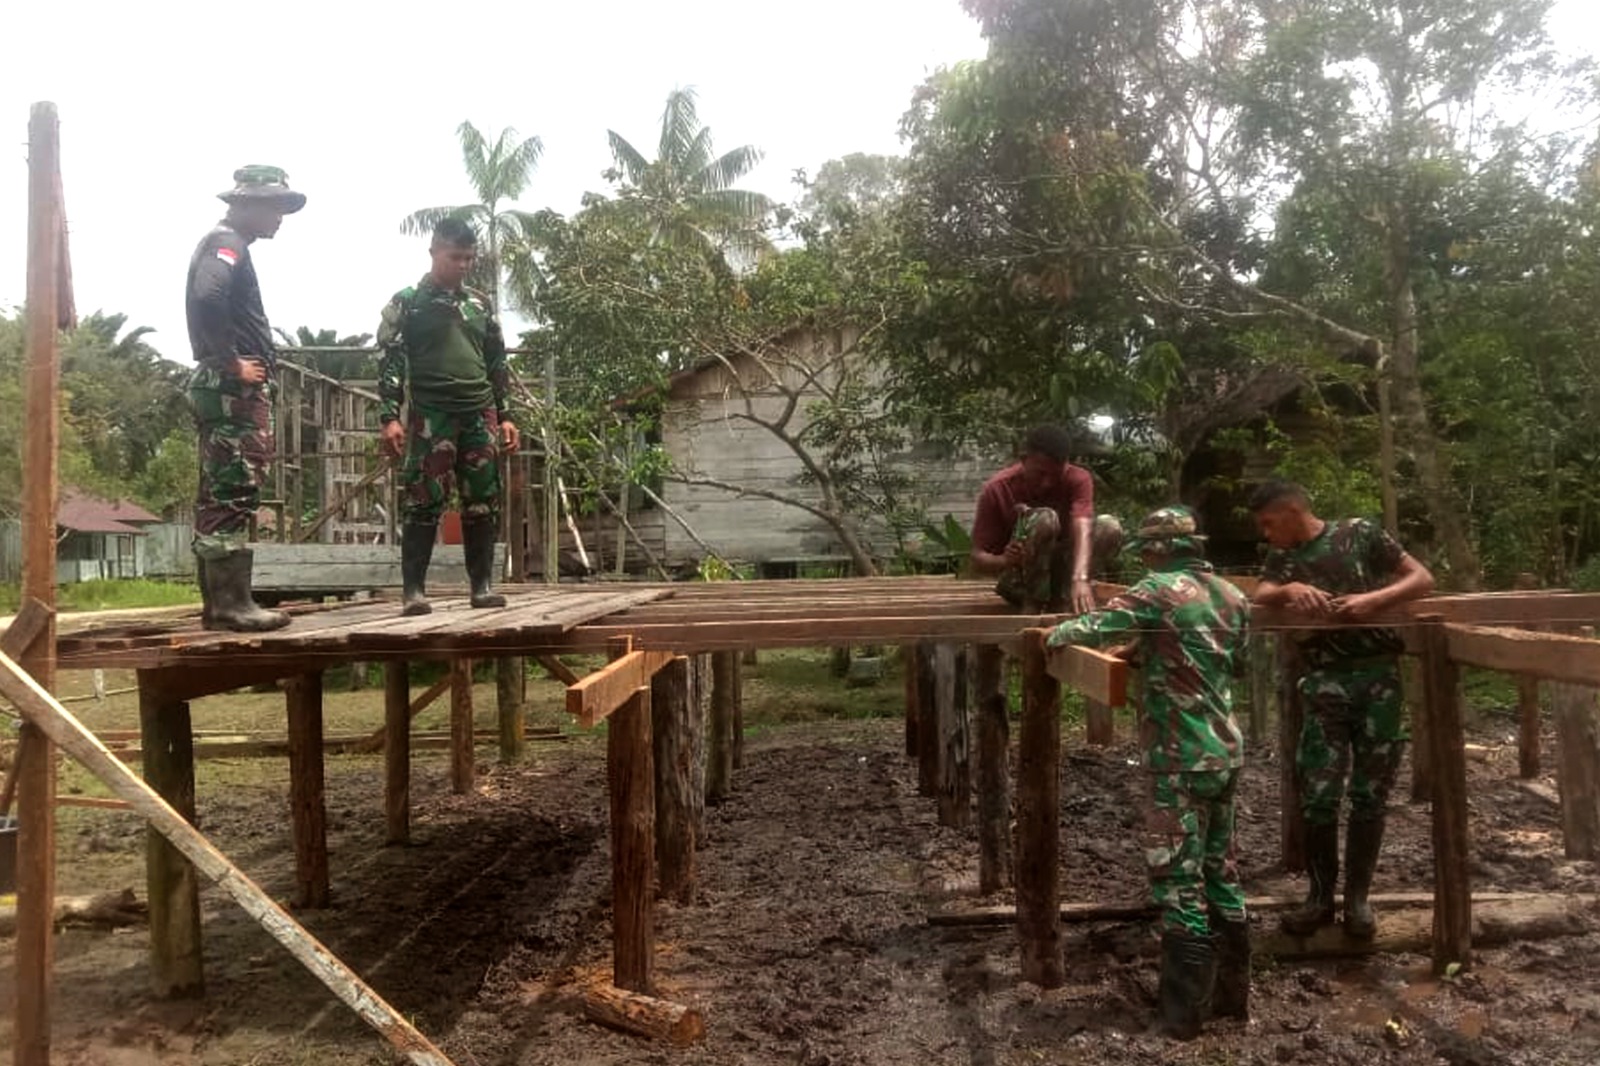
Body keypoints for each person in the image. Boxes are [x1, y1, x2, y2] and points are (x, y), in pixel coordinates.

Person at [1046, 505, 1251, 1039]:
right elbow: (1230, 661)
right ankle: (1233, 1000)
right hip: (1225, 751)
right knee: (1221, 870)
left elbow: (1098, 623)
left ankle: (1182, 1017)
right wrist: (1145, 651)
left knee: (1177, 879)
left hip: (1179, 755)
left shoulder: (1156, 589)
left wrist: (1052, 634)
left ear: (1157, 550)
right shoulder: (1233, 595)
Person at [1249, 480, 1435, 940]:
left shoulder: (1359, 533)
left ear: (1292, 510)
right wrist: (1290, 589)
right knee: (1318, 792)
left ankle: (1357, 900)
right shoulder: (1283, 558)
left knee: (1371, 793)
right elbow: (1260, 594)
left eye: (1269, 523)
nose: (1267, 534)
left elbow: (1422, 578)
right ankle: (1319, 899)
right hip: (1324, 680)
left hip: (1378, 677)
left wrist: (1375, 600)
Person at [377, 218, 520, 616]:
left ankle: (482, 587)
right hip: (431, 414)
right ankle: (414, 592)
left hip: (479, 414)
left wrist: (506, 415)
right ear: (434, 253)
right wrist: (389, 416)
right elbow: (390, 360)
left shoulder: (480, 305)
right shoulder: (409, 303)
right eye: (455, 257)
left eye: (469, 258)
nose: (463, 265)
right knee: (423, 499)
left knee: (482, 500)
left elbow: (496, 362)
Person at [186, 165, 306, 632]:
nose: (279, 218)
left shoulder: (228, 243)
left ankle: (219, 606)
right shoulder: (228, 243)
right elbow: (208, 293)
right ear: (247, 204)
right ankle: (231, 606)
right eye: (274, 208)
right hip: (232, 390)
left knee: (218, 492)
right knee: (234, 489)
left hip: (221, 387)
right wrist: (232, 361)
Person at [969, 424, 1123, 614]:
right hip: (1021, 579)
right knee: (1045, 518)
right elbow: (977, 557)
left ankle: (1071, 598)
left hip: (1063, 576)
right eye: (1040, 474)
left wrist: (1080, 578)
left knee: (1109, 526)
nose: (1047, 483)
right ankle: (1033, 604)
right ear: (1024, 459)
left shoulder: (1078, 479)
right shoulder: (997, 489)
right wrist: (1004, 560)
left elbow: (1082, 524)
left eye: (1055, 475)